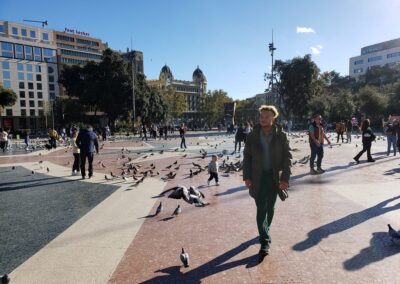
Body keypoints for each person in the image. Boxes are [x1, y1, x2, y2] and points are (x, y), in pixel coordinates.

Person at [243, 105, 292, 256]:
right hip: (258, 178)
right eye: (261, 116)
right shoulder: (252, 136)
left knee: (270, 208)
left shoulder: (281, 136)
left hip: (273, 178)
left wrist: (285, 178)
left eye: (266, 117)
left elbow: (287, 158)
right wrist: (247, 176)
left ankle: (265, 230)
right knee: (261, 208)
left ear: (273, 118)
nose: (263, 119)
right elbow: (247, 158)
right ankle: (265, 241)